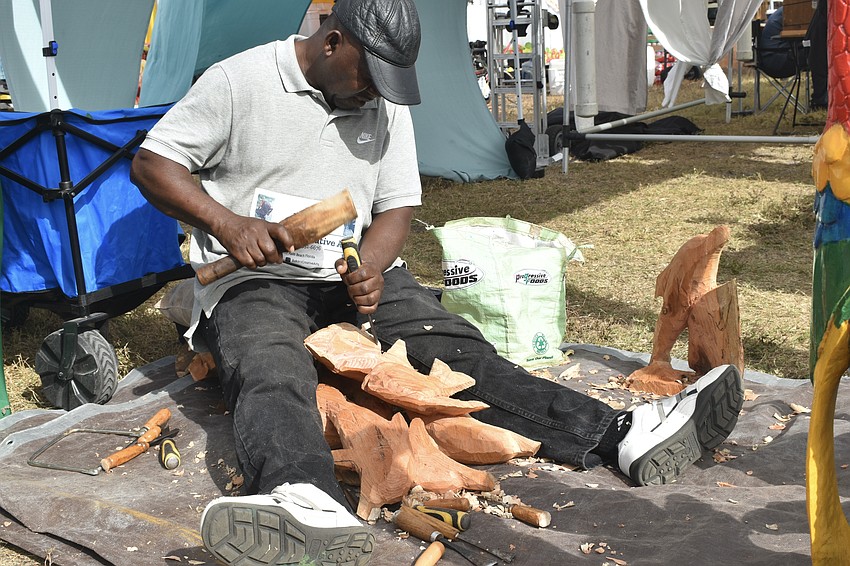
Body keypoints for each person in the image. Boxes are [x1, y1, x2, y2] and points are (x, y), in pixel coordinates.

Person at [130, 0, 744, 564]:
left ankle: (618, 434)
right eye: (367, 81)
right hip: (255, 277)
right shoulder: (239, 82)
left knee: (460, 350)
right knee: (266, 363)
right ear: (332, 42)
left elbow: (396, 207)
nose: (375, 96)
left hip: (347, 272)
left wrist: (370, 266)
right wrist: (228, 224)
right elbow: (153, 163)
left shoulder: (383, 98)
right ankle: (300, 499)